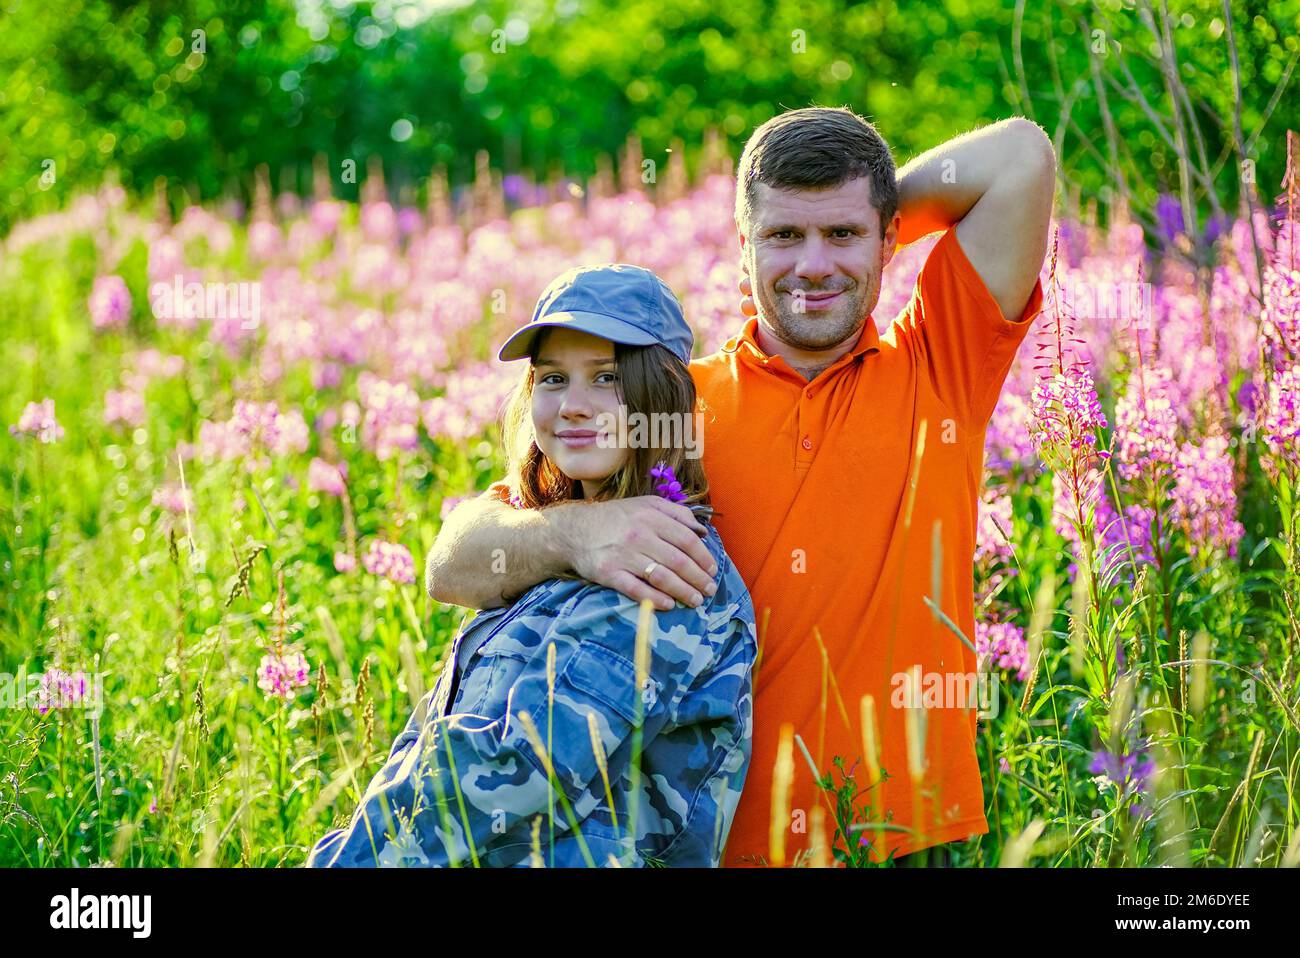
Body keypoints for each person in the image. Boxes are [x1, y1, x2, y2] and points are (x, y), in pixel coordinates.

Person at [426, 107, 1054, 866]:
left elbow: (1020, 156)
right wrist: (574, 532)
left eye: (844, 234)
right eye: (783, 235)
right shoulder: (671, 408)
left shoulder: (941, 369)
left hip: (898, 840)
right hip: (710, 844)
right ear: (742, 245)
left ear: (891, 237)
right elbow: (454, 563)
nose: (814, 265)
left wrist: (878, 210)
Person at [306, 264, 757, 868]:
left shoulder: (661, 567)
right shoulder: (562, 524)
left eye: (607, 378)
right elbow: (447, 569)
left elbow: (511, 769)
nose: (574, 405)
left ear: (663, 396)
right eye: (552, 378)